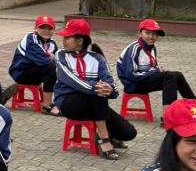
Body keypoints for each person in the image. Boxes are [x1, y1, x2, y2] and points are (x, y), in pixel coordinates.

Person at [54, 18, 135, 161]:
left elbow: (110, 81)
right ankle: (104, 139)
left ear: (80, 40)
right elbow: (71, 80)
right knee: (96, 92)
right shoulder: (61, 55)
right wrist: (95, 87)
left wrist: (110, 90)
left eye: (67, 37)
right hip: (68, 103)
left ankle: (102, 133)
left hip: (95, 104)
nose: (64, 41)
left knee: (129, 133)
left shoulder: (97, 58)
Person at [116, 19, 194, 108]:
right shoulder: (135, 49)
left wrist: (158, 71)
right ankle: (168, 113)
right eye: (147, 33)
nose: (151, 37)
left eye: (155, 34)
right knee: (169, 76)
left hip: (143, 80)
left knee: (177, 76)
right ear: (140, 33)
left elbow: (152, 66)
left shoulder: (151, 47)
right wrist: (155, 71)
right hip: (133, 84)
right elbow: (132, 75)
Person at [8, 15, 58, 114]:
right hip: (20, 72)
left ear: (53, 30)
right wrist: (52, 57)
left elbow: (58, 60)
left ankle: (55, 101)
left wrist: (53, 58)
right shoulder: (30, 39)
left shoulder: (52, 44)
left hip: (35, 71)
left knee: (55, 70)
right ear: (35, 28)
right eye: (42, 27)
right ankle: (47, 105)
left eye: (49, 28)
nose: (46, 31)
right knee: (51, 68)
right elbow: (44, 61)